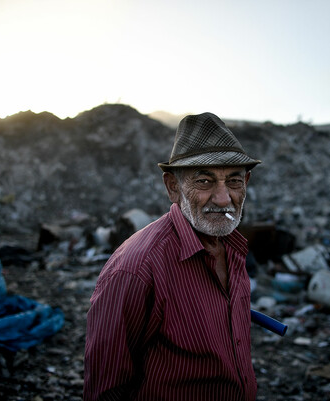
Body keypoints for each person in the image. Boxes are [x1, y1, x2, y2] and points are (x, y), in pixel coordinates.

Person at [84, 112, 261, 401]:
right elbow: (105, 391)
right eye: (204, 181)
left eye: (234, 181)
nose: (223, 198)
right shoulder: (135, 270)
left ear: (247, 182)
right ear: (173, 187)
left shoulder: (232, 248)